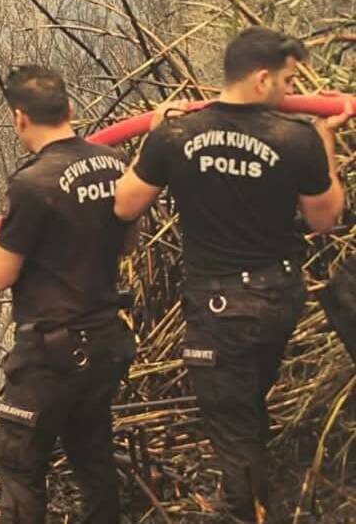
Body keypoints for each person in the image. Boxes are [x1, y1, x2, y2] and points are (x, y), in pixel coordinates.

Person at [113, 26, 352, 522]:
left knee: (233, 423)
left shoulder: (177, 135)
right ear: (262, 79)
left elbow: (124, 204)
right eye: (288, 81)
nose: (292, 93)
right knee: (247, 409)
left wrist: (154, 138)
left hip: (219, 308)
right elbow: (325, 220)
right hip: (279, 298)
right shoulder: (298, 139)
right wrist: (326, 142)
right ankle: (259, 497)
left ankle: (245, 510)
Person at [0, 65, 139, 523]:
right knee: (94, 459)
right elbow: (128, 242)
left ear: (19, 117)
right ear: (69, 109)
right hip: (105, 341)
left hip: (52, 354)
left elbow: (0, 274)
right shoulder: (113, 162)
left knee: (20, 464)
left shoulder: (32, 184)